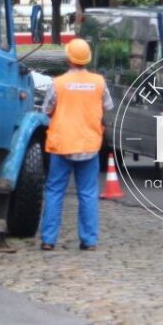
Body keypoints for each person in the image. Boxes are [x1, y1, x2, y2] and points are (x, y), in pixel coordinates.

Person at [39, 38, 114, 251]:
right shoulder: (99, 82)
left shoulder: (58, 83)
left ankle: (48, 240)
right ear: (87, 58)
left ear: (68, 58)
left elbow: (46, 109)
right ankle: (89, 240)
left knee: (54, 191)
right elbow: (107, 105)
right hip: (89, 144)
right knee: (88, 193)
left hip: (61, 144)